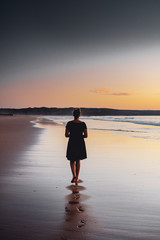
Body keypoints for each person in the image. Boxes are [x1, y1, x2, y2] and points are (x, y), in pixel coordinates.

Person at [65, 108, 88, 183]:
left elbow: (66, 135)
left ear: (73, 115)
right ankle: (77, 177)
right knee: (78, 160)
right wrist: (79, 135)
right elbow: (86, 135)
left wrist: (72, 135)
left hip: (72, 142)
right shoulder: (83, 124)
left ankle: (74, 176)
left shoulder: (69, 123)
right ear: (79, 115)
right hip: (80, 142)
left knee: (72, 160)